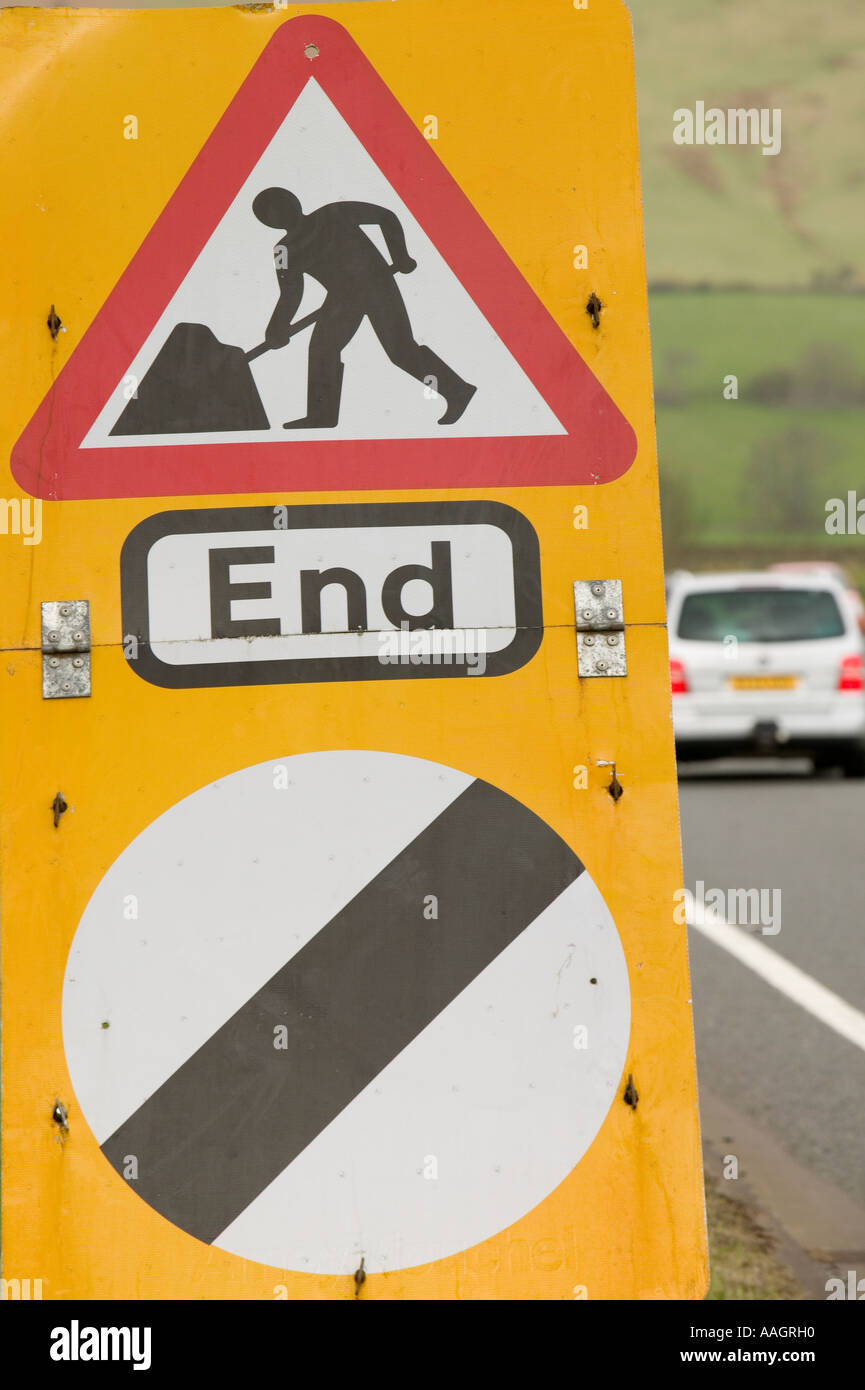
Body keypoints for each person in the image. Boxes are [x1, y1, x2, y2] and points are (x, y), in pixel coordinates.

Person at [252, 188, 476, 428]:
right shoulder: (283, 251)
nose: (281, 215)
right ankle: (321, 415)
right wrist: (277, 326)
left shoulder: (333, 213)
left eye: (282, 206)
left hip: (376, 284)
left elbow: (385, 216)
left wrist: (400, 255)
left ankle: (456, 391)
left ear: (293, 201)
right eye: (271, 214)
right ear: (268, 223)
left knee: (400, 350)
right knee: (321, 350)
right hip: (342, 299)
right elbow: (290, 292)